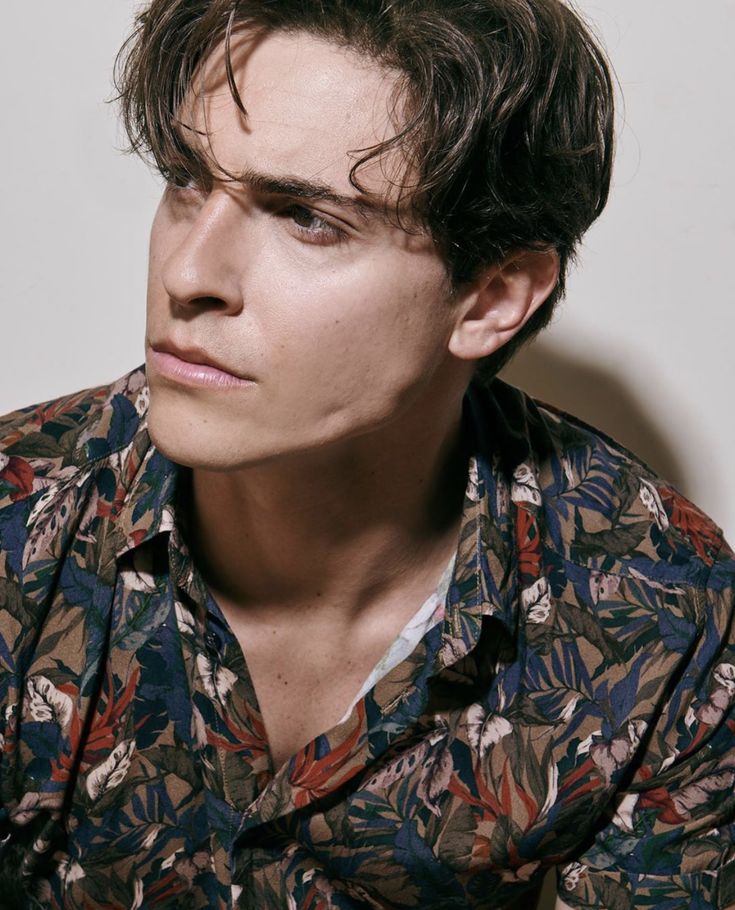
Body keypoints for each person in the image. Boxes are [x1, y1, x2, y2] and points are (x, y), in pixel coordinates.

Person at [0, 0, 733, 907]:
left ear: (492, 297)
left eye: (306, 217)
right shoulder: (16, 522)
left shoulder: (663, 612)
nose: (188, 274)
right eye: (187, 180)